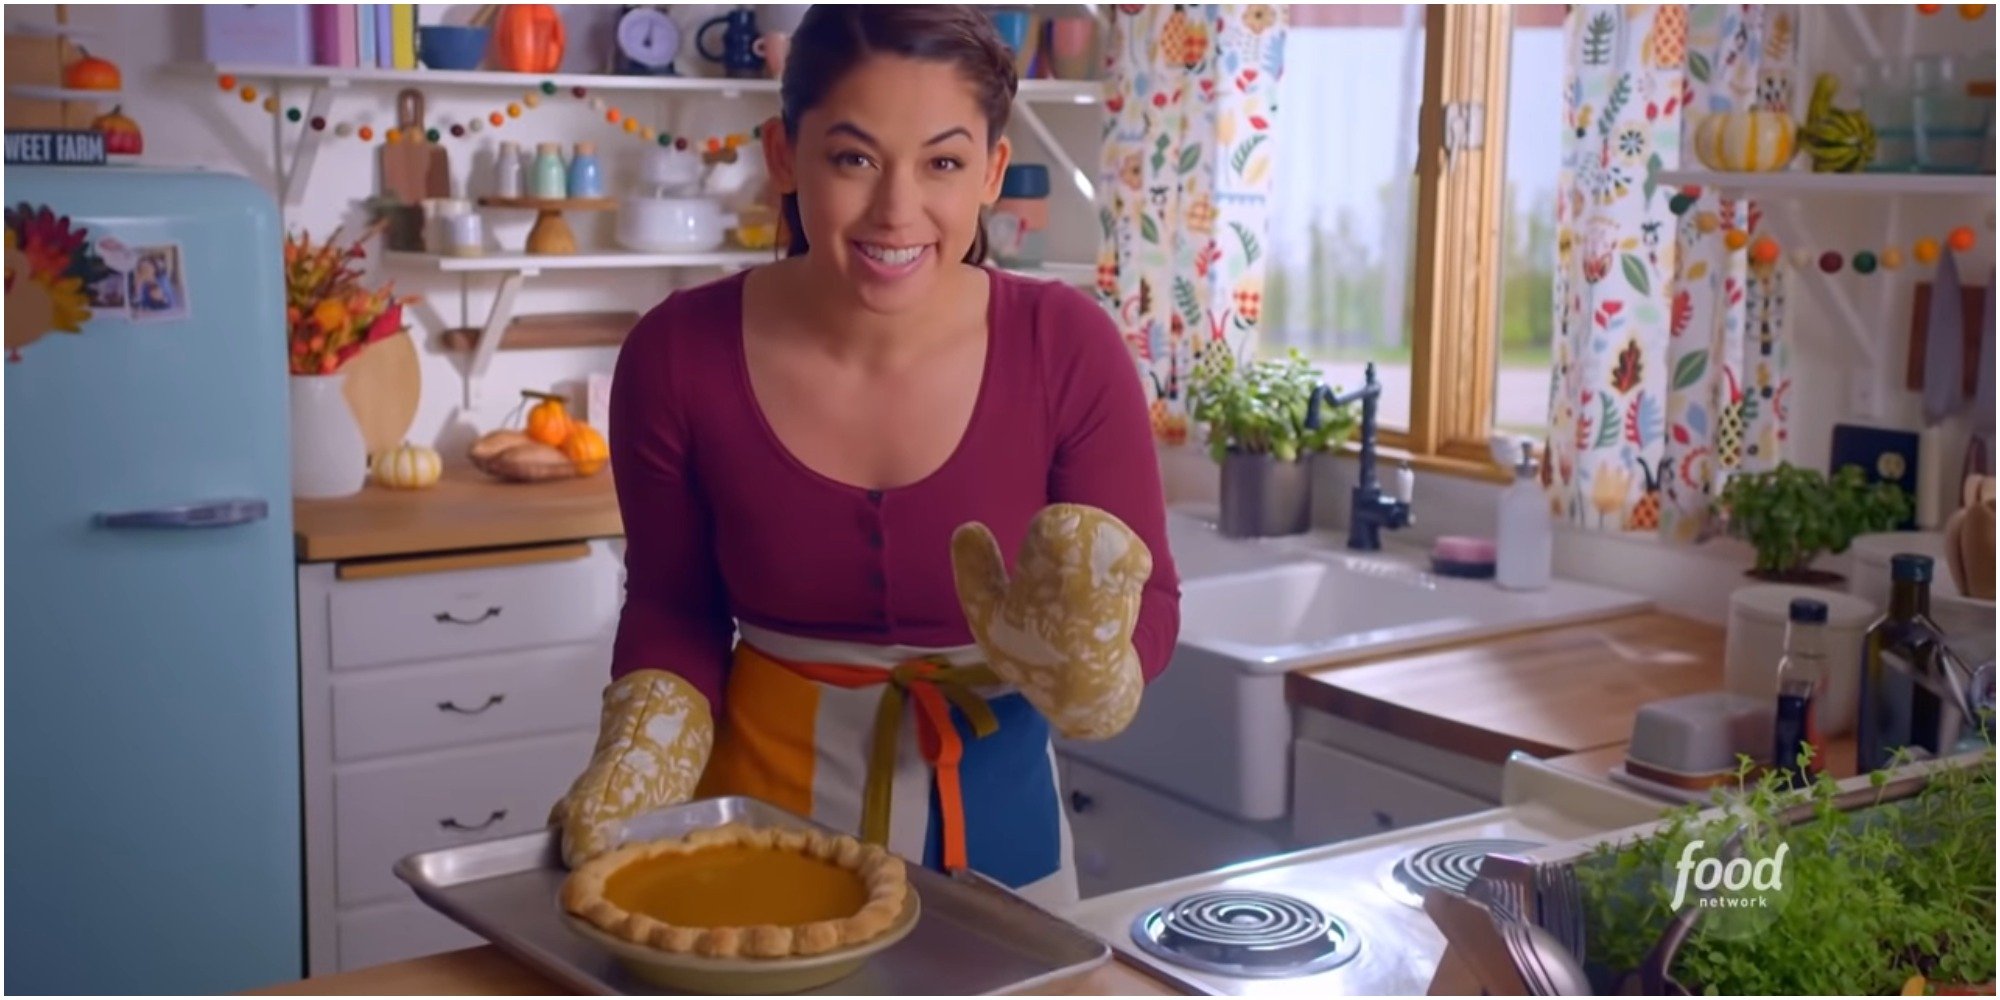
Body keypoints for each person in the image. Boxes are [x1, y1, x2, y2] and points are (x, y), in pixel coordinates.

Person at [551, 4, 1181, 910]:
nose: (896, 209)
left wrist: (1093, 675)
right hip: (757, 839)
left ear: (991, 172)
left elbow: (1151, 601)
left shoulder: (1069, 346)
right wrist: (636, 764)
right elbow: (673, 606)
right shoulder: (677, 353)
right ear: (784, 156)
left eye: (943, 163)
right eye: (854, 159)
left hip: (1004, 862)